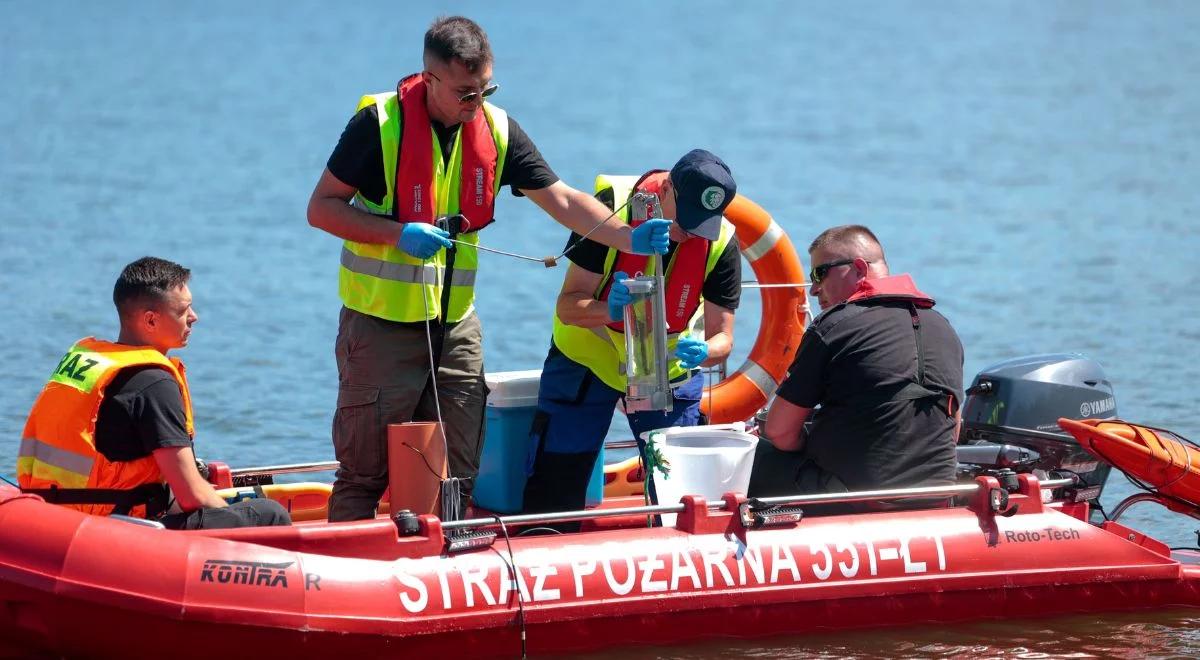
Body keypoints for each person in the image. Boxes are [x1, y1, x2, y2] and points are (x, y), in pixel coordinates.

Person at [307, 16, 669, 522]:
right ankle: (345, 570)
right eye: (463, 92)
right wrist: (397, 233)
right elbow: (320, 208)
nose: (474, 103)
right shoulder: (379, 126)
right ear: (429, 78)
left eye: (484, 89)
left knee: (460, 463)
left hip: (455, 326)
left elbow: (563, 199)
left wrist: (625, 234)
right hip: (379, 326)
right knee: (364, 470)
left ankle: (449, 563)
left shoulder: (497, 130)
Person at [521, 149, 741, 518]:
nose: (688, 232)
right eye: (684, 219)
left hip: (667, 372)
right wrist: (608, 309)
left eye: (701, 224)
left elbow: (724, 337)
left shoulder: (721, 242)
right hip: (588, 362)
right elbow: (568, 306)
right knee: (556, 484)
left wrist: (704, 351)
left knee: (681, 496)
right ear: (666, 188)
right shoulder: (609, 212)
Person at [17, 257, 291, 530]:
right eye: (184, 310)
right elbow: (192, 496)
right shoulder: (153, 382)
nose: (194, 317)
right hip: (112, 528)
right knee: (269, 513)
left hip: (52, 514)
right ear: (150, 320)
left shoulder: (91, 361)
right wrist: (235, 511)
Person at [753, 225, 963, 500]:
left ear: (860, 269)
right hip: (937, 495)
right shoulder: (944, 328)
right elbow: (954, 430)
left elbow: (780, 432)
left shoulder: (834, 327)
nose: (814, 289)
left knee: (753, 454)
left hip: (852, 497)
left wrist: (810, 443)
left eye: (820, 273)